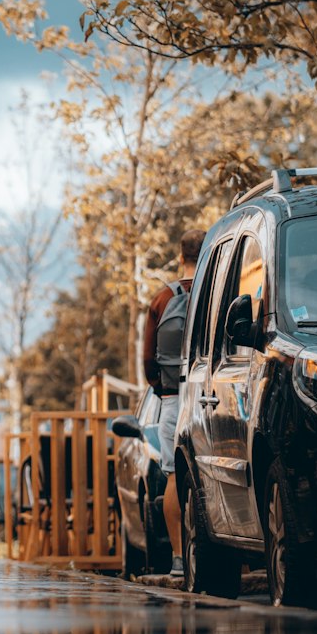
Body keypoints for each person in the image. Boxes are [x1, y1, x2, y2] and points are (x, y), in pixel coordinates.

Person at [143, 228, 205, 579]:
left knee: (172, 476)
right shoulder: (217, 289)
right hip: (209, 397)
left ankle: (180, 559)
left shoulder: (161, 299)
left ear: (180, 256)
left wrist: (162, 388)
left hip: (172, 397)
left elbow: (148, 360)